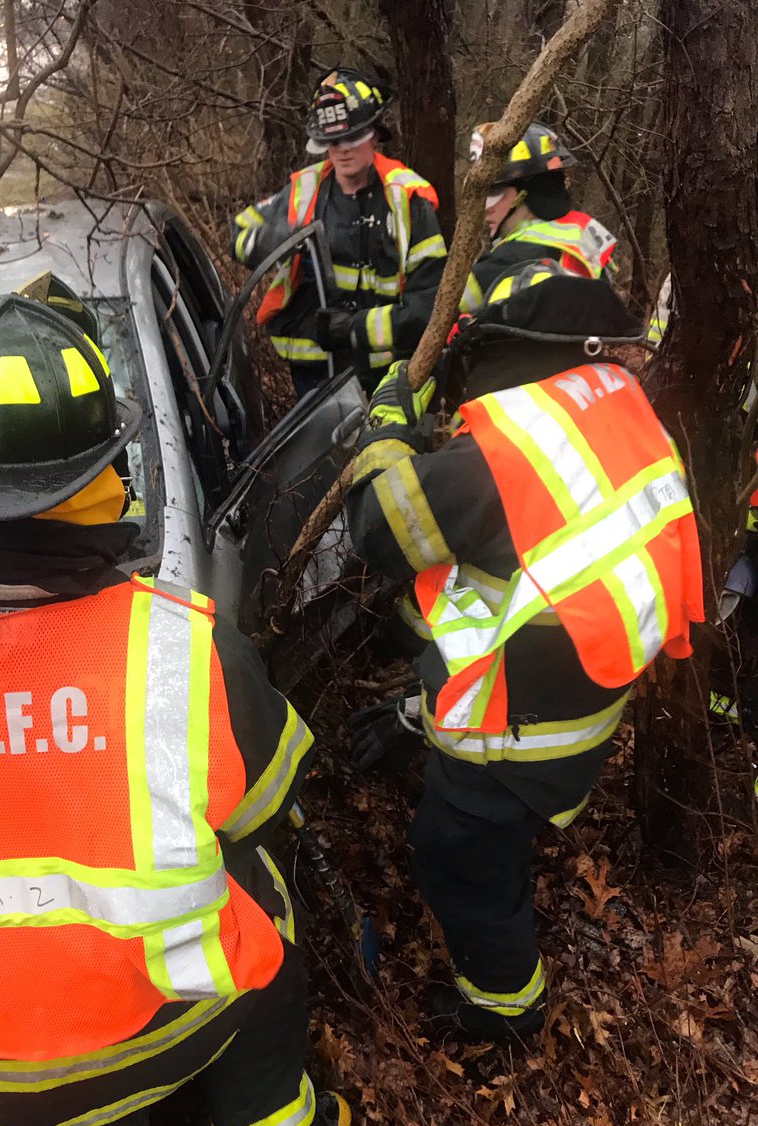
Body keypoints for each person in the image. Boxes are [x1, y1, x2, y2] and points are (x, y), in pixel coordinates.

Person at [0, 292, 350, 1126]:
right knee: (265, 899)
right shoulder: (179, 650)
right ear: (96, 477)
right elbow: (268, 801)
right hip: (169, 1019)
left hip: (1, 1075)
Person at [346, 269, 704, 1043]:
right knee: (486, 845)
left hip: (519, 742)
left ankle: (503, 1008)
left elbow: (377, 526)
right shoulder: (619, 406)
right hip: (579, 697)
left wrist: (385, 430)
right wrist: (417, 710)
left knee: (457, 861)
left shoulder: (506, 455)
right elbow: (512, 582)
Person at [231, 66, 447, 398]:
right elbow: (240, 233)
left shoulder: (407, 199)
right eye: (333, 141)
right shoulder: (305, 190)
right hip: (314, 372)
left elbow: (430, 303)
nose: (343, 149)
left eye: (352, 137)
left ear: (374, 135)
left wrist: (353, 328)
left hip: (385, 371)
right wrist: (277, 238)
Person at [462, 121, 618, 313]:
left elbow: (440, 306)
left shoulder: (517, 255)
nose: (485, 208)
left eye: (494, 191)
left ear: (523, 194)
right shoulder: (580, 233)